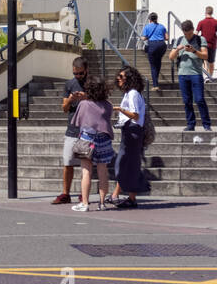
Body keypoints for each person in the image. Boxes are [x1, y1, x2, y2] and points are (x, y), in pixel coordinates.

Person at [69, 77, 115, 212]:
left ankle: (85, 203)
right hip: (104, 139)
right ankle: (102, 203)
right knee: (103, 172)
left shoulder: (84, 104)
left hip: (87, 139)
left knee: (86, 172)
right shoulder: (108, 104)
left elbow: (77, 122)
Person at [52, 56, 90, 205]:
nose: (78, 76)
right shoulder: (69, 84)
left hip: (88, 129)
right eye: (75, 73)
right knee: (68, 162)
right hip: (72, 129)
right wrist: (70, 99)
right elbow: (64, 108)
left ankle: (83, 193)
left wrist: (86, 97)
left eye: (80, 73)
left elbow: (101, 103)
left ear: (86, 71)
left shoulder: (92, 83)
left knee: (85, 164)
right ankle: (65, 193)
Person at [109, 66, 147, 208]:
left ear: (129, 79)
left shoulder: (132, 94)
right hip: (130, 131)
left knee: (123, 163)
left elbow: (135, 115)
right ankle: (123, 196)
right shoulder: (129, 93)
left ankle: (125, 195)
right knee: (128, 164)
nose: (118, 78)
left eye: (121, 76)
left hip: (133, 131)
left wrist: (119, 109)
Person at [169, 20, 211, 131]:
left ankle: (206, 125)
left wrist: (193, 51)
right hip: (182, 74)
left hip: (195, 74)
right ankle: (190, 124)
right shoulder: (179, 40)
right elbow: (171, 57)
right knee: (187, 101)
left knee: (199, 99)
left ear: (193, 30)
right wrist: (177, 49)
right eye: (185, 33)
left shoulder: (200, 39)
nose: (187, 36)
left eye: (189, 33)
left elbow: (205, 56)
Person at [141, 13, 167, 88]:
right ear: (156, 18)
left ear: (150, 20)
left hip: (152, 45)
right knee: (158, 62)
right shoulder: (162, 26)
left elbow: (144, 38)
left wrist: (142, 38)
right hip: (162, 45)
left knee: (153, 66)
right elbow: (167, 38)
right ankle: (156, 79)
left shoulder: (147, 27)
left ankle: (155, 85)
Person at [196, 6, 217, 78]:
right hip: (213, 45)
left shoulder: (201, 22)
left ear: (205, 12)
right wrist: (215, 39)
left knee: (204, 61)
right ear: (212, 12)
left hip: (203, 45)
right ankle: (210, 76)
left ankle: (205, 76)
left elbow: (196, 33)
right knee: (211, 62)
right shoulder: (216, 22)